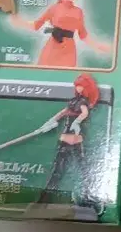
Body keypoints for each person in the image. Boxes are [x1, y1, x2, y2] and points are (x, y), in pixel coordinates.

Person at [13, 0, 110, 67]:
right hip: (52, 48)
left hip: (69, 51)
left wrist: (98, 46)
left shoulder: (78, 12)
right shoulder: (54, 8)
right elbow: (36, 25)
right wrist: (20, 22)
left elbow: (83, 34)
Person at [38, 74, 100, 207]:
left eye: (81, 86)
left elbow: (84, 113)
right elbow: (62, 113)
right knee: (57, 170)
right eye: (77, 86)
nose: (78, 88)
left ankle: (88, 197)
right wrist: (49, 123)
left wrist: (77, 122)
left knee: (84, 169)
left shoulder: (83, 102)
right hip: (66, 137)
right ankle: (44, 199)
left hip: (76, 138)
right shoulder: (73, 101)